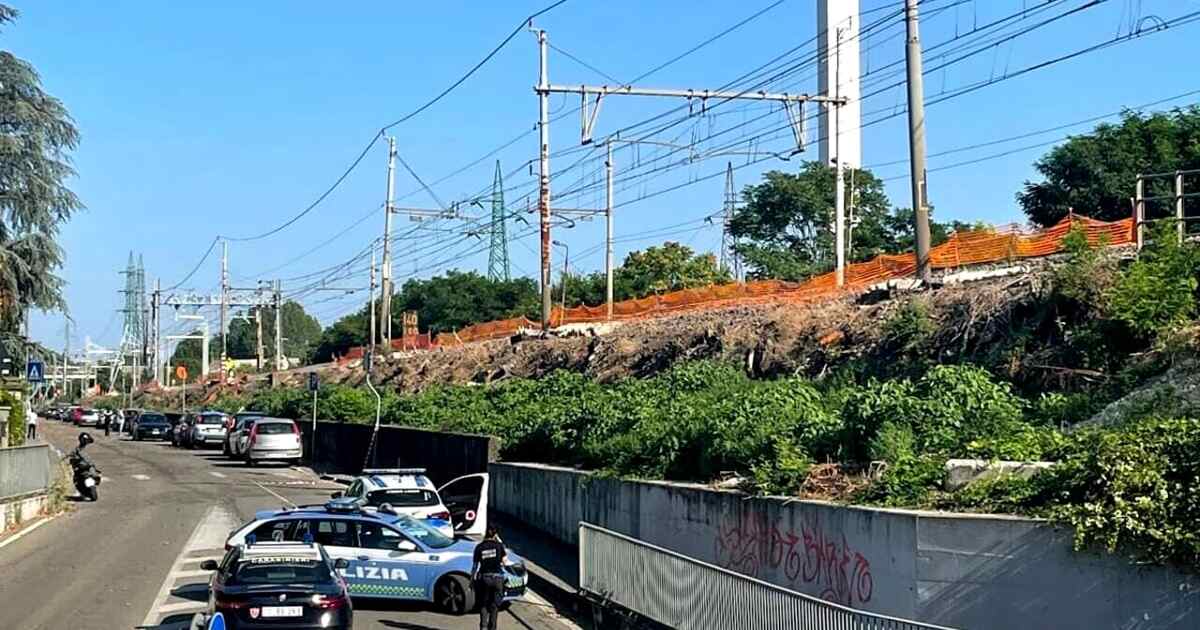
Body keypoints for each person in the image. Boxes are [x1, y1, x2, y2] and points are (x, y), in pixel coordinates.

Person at [471, 526, 507, 630]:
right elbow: (505, 562)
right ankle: (493, 628)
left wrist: (471, 580)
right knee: (494, 606)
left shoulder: (479, 547)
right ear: (495, 535)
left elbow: (474, 566)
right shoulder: (499, 546)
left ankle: (483, 627)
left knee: (483, 604)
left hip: (484, 578)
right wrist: (500, 542)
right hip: (498, 579)